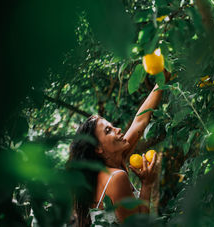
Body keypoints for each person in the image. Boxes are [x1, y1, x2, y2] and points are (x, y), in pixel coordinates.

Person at [68, 72, 168, 226]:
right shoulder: (116, 178)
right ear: (98, 149)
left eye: (112, 126)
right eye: (108, 131)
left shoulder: (109, 165)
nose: (118, 129)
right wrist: (147, 184)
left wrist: (162, 81)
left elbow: (139, 121)